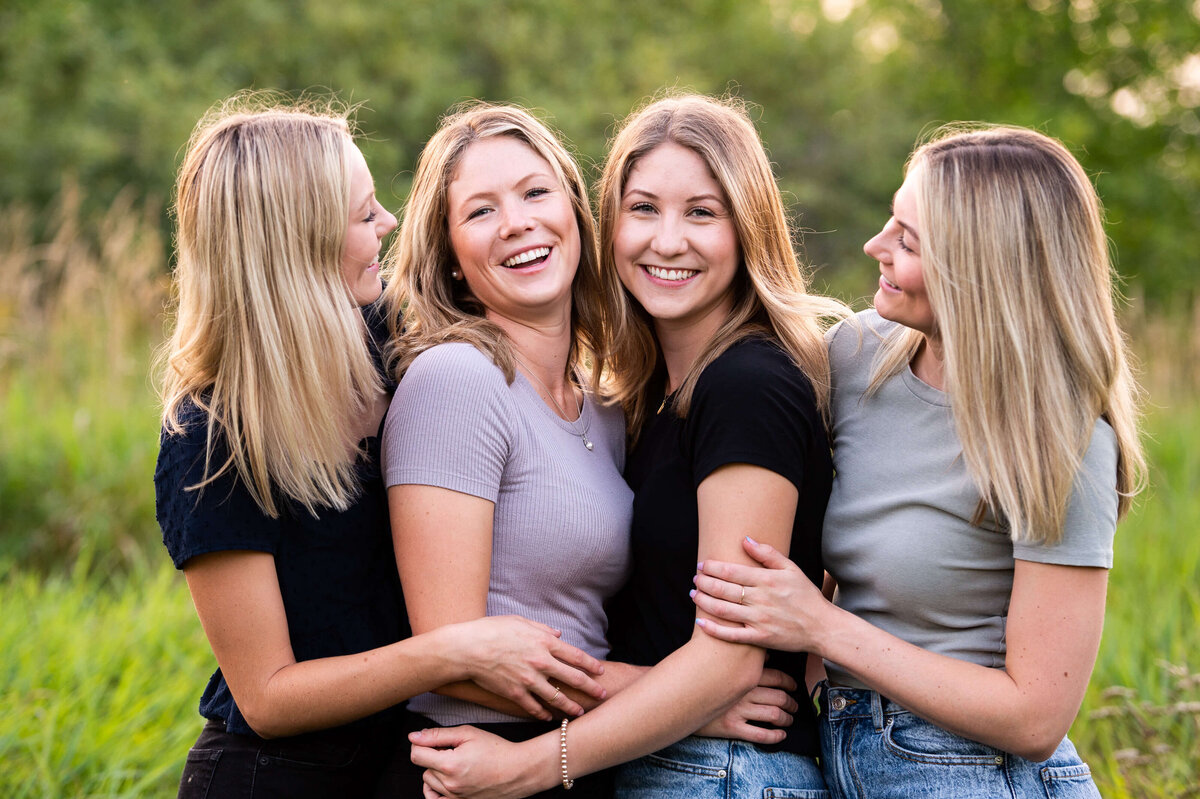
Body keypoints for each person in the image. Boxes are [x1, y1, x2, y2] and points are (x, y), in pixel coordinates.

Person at [154, 95, 609, 799]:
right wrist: (446, 651)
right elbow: (267, 697)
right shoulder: (212, 437)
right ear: (298, 244)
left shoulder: (389, 345)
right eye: (366, 215)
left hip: (400, 763)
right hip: (278, 779)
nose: (390, 224)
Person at [406, 94, 848, 799]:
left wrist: (530, 765)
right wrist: (674, 693)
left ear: (748, 227)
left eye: (701, 213)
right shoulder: (643, 400)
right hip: (667, 758)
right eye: (643, 209)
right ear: (610, 223)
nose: (666, 240)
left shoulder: (746, 384)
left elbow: (729, 662)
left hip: (725, 775)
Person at [691, 124, 1146, 799]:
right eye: (890, 222)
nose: (876, 247)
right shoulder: (858, 357)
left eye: (907, 242)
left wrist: (820, 626)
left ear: (982, 269)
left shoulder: (1064, 443)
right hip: (846, 756)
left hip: (983, 775)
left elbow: (1035, 716)